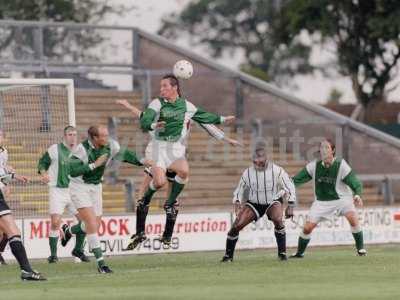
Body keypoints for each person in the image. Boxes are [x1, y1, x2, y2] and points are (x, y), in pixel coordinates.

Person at [124, 74, 235, 247]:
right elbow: (144, 118)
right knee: (158, 183)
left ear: (175, 87)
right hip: (158, 148)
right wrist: (152, 124)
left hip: (175, 149)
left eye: (164, 86)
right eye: (160, 87)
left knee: (184, 172)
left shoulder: (187, 107)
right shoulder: (157, 103)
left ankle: (166, 226)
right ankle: (142, 226)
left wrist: (221, 120)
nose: (161, 90)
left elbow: (205, 119)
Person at [62, 125, 150, 273]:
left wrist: (142, 161)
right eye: (103, 136)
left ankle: (69, 230)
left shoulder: (111, 145)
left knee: (94, 226)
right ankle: (101, 264)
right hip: (79, 187)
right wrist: (94, 165)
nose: (107, 138)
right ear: (95, 138)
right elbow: (72, 170)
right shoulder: (82, 150)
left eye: (107, 135)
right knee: (90, 223)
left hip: (96, 187)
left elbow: (124, 154)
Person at [221, 141, 296, 262]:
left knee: (278, 219)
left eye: (259, 157)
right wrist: (237, 202)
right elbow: (239, 189)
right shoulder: (248, 173)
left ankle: (282, 253)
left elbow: (290, 186)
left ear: (266, 158)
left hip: (273, 201)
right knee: (236, 226)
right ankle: (228, 256)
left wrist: (291, 205)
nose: (256, 161)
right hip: (254, 203)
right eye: (254, 158)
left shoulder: (277, 171)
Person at [290, 139, 366, 258]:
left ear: (333, 151)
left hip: (342, 199)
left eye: (327, 148)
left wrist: (357, 195)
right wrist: (285, 186)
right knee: (307, 228)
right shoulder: (313, 166)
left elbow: (355, 182)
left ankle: (361, 249)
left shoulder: (341, 165)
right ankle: (299, 253)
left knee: (352, 217)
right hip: (321, 202)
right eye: (322, 147)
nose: (324, 150)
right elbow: (296, 180)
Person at [37, 125, 89, 263]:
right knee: (55, 223)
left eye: (75, 135)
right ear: (65, 136)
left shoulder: (81, 152)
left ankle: (78, 250)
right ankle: (53, 255)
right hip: (57, 191)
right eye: (70, 134)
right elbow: (42, 163)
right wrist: (44, 173)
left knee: (85, 221)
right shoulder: (55, 149)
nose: (73, 137)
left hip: (74, 192)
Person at [0, 129, 46, 280]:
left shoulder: (3, 151)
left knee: (5, 232)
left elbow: (3, 173)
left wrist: (8, 179)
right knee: (13, 230)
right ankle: (26, 270)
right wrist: (11, 176)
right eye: (0, 134)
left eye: (2, 134)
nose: (3, 136)